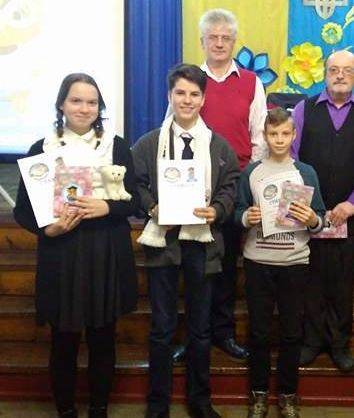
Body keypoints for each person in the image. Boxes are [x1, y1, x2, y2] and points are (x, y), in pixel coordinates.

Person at [13, 73, 139, 418]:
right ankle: (66, 411)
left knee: (103, 339)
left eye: (92, 102)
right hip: (62, 253)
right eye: (76, 100)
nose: (84, 108)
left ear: (100, 107)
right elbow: (22, 211)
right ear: (61, 105)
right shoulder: (41, 149)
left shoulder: (117, 146)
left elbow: (136, 201)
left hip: (106, 252)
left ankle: (99, 410)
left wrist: (107, 207)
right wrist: (48, 230)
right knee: (64, 341)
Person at [132, 63, 239, 418]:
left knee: (201, 328)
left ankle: (200, 400)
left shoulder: (219, 147)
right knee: (162, 328)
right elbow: (136, 185)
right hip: (164, 242)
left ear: (203, 99)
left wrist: (218, 210)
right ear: (170, 96)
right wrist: (152, 207)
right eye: (180, 93)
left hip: (203, 245)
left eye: (194, 94)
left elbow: (230, 187)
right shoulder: (149, 144)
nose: (187, 100)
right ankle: (157, 404)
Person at [174, 8, 266, 365]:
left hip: (233, 185)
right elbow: (173, 129)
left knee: (226, 263)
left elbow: (259, 137)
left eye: (226, 38)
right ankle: (194, 334)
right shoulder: (190, 81)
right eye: (212, 37)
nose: (219, 43)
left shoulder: (251, 82)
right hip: (192, 186)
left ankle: (223, 332)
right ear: (202, 41)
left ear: (234, 42)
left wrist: (249, 182)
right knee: (193, 263)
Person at [291, 50, 354, 372]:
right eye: (334, 70)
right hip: (310, 214)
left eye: (347, 70)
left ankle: (339, 344)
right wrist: (311, 205)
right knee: (312, 279)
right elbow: (292, 157)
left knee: (343, 282)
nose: (340, 75)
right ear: (325, 73)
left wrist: (352, 203)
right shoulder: (304, 110)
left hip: (351, 213)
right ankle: (311, 341)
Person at [235, 108, 326, 418]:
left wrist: (312, 219)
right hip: (257, 261)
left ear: (294, 135)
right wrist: (246, 217)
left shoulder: (306, 173)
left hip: (294, 262)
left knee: (291, 333)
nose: (279, 139)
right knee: (259, 333)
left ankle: (287, 395)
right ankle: (258, 395)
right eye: (273, 134)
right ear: (264, 135)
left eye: (285, 133)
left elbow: (320, 219)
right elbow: (236, 212)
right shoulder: (252, 172)